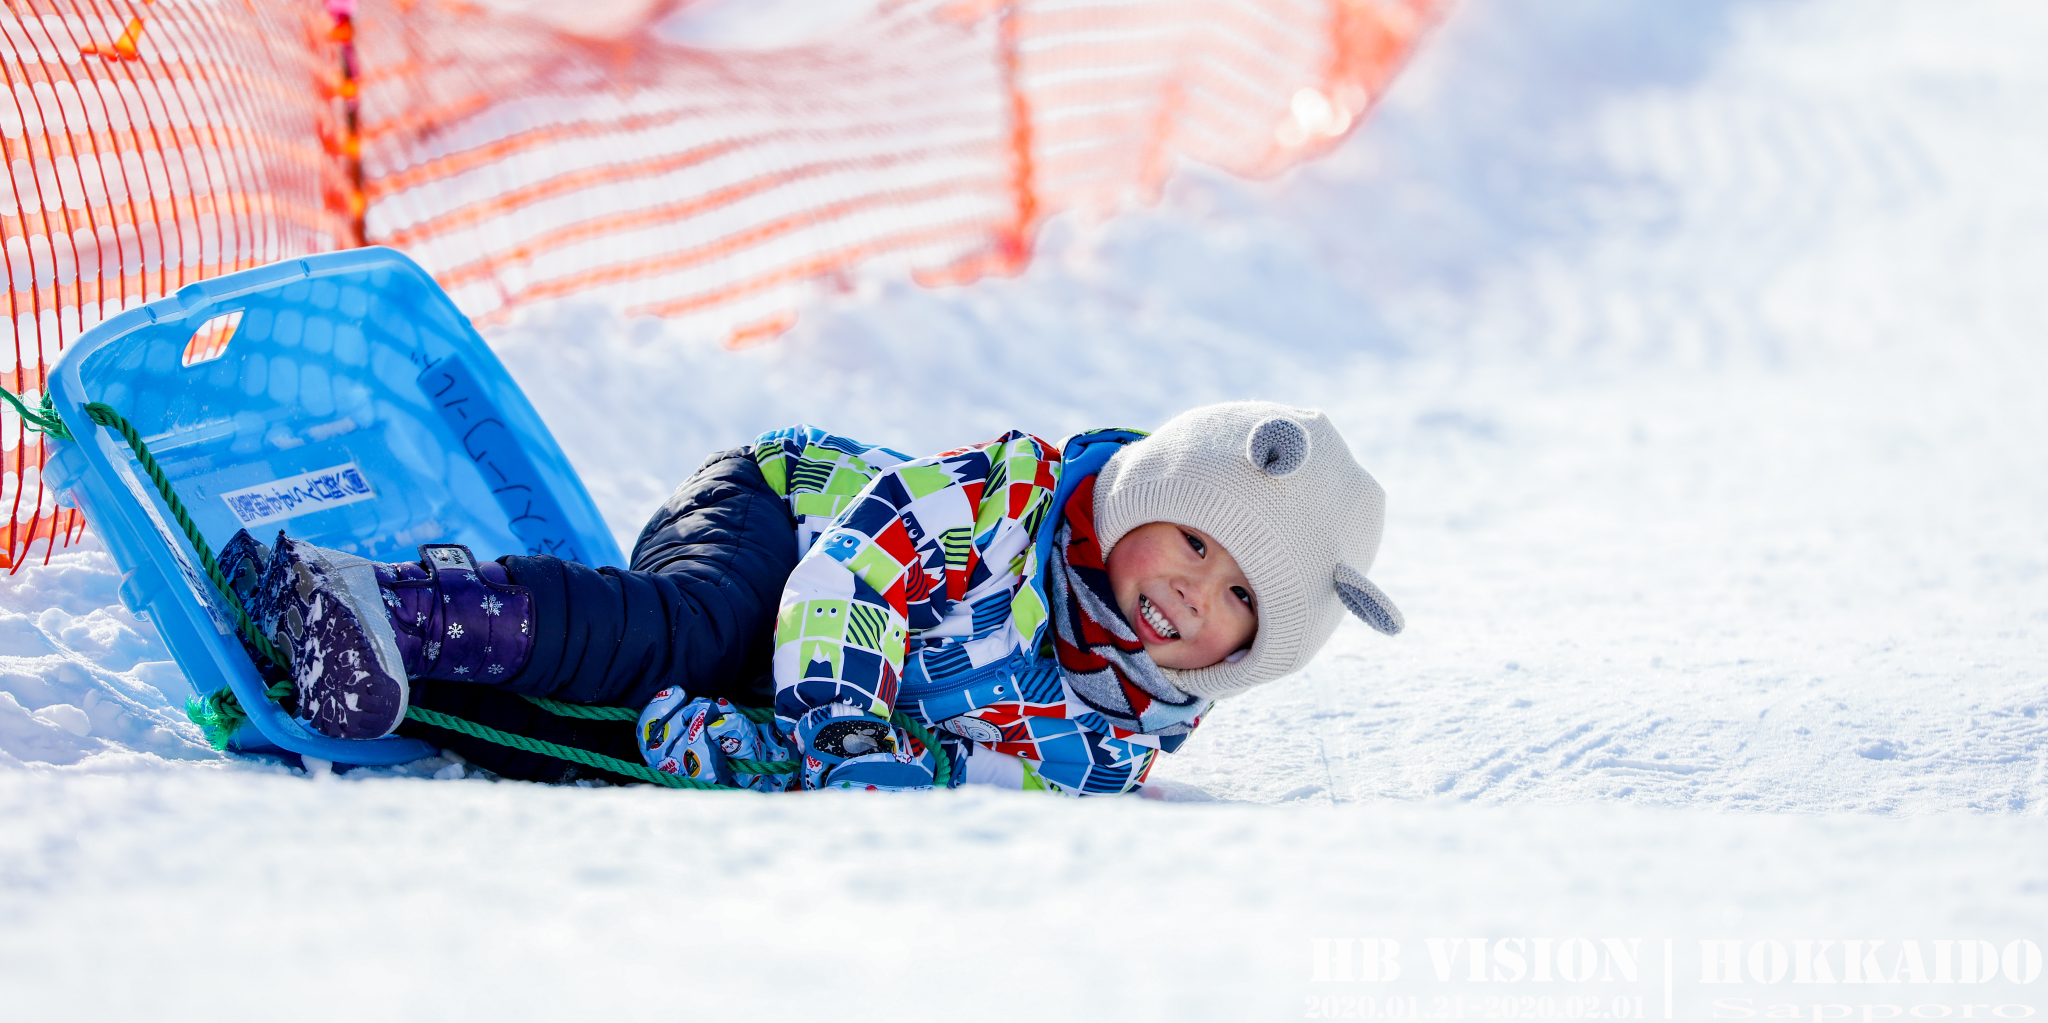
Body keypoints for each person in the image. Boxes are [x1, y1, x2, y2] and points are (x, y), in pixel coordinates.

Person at [218, 401, 1405, 795]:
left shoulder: (1111, 743)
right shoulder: (1013, 498)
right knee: (683, 633)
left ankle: (384, 683)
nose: (1188, 589)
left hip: (798, 694)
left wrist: (773, 751)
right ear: (1137, 500)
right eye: (1191, 540)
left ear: (1254, 649)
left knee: (645, 749)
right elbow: (862, 563)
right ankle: (377, 602)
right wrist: (836, 710)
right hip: (780, 525)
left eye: (1235, 593)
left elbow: (941, 766)